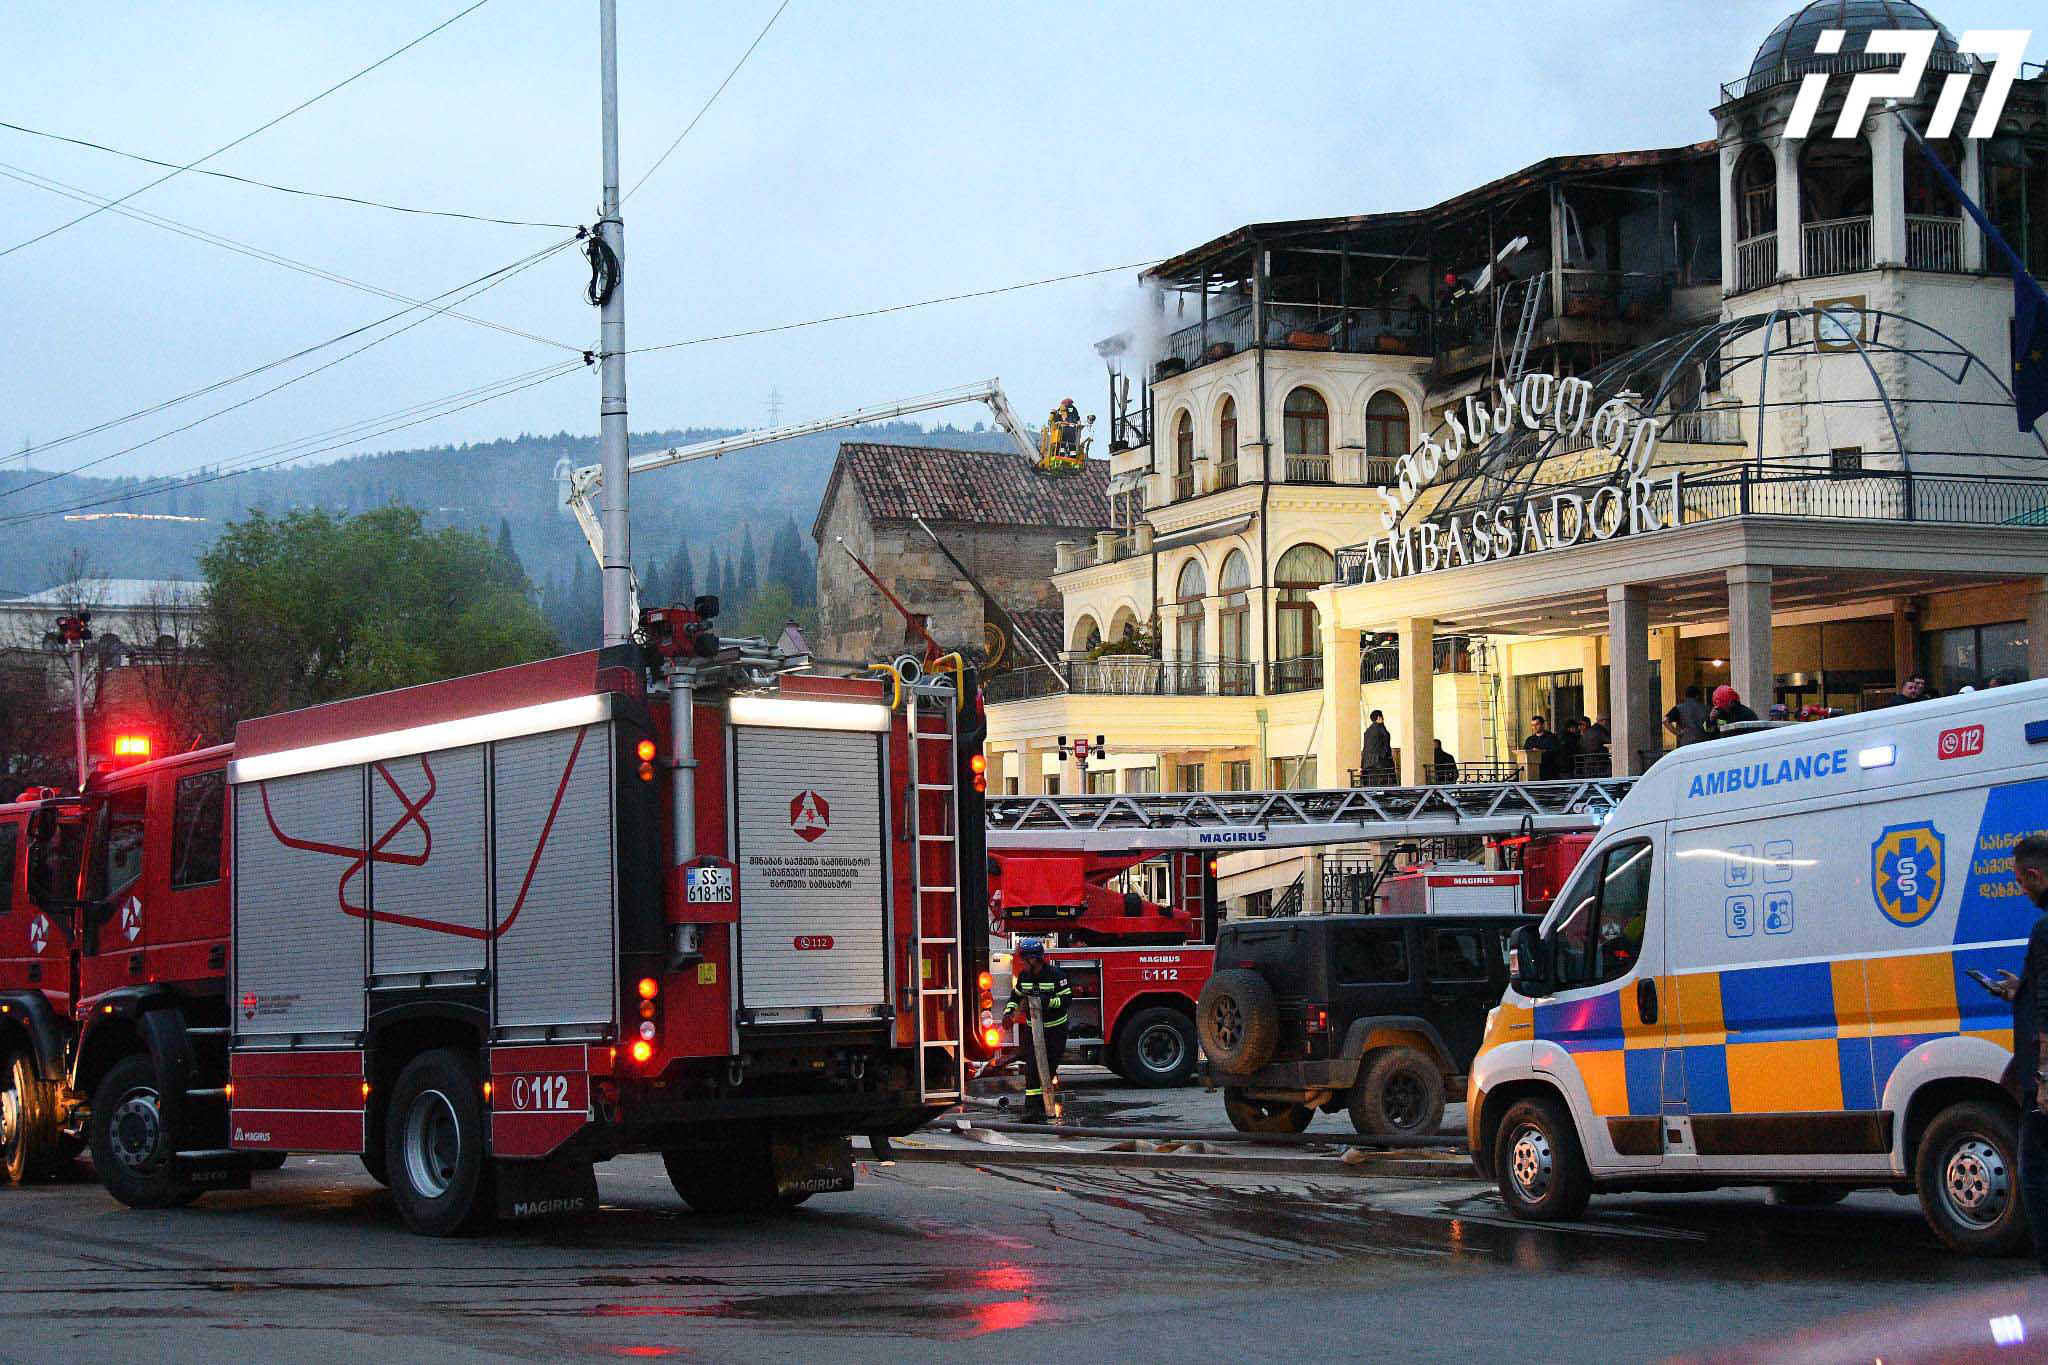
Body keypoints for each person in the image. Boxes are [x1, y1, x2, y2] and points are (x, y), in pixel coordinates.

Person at [1976, 835, 2048, 1273]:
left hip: (2043, 1078)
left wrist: (2042, 1081)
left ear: (2036, 875)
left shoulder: (2044, 929)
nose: (2022, 891)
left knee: (2036, 1174)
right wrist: (2020, 989)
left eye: (2021, 883)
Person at [1003, 939, 1072, 1122]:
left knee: (1048, 1069)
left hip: (1055, 1031)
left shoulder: (1056, 976)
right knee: (1032, 1069)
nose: (1022, 963)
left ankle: (1044, 1106)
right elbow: (1015, 997)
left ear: (1033, 959)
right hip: (1033, 1032)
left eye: (1024, 959)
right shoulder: (1024, 977)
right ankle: (1033, 1110)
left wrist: (1046, 1002)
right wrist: (1008, 1013)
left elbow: (1066, 1001)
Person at [1359, 709, 1395, 785]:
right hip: (1380, 765)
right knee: (1384, 789)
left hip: (1367, 766)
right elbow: (1386, 747)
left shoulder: (1367, 731)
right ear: (1379, 717)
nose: (1383, 719)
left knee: (1371, 789)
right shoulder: (1382, 729)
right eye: (1382, 717)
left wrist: (1362, 766)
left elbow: (1365, 749)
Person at [1523, 715, 1564, 780]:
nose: (1534, 727)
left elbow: (1556, 751)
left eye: (1537, 724)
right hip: (1533, 772)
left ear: (1542, 725)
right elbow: (1525, 752)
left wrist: (1541, 752)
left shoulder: (1551, 738)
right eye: (1532, 725)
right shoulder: (1530, 740)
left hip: (1549, 771)